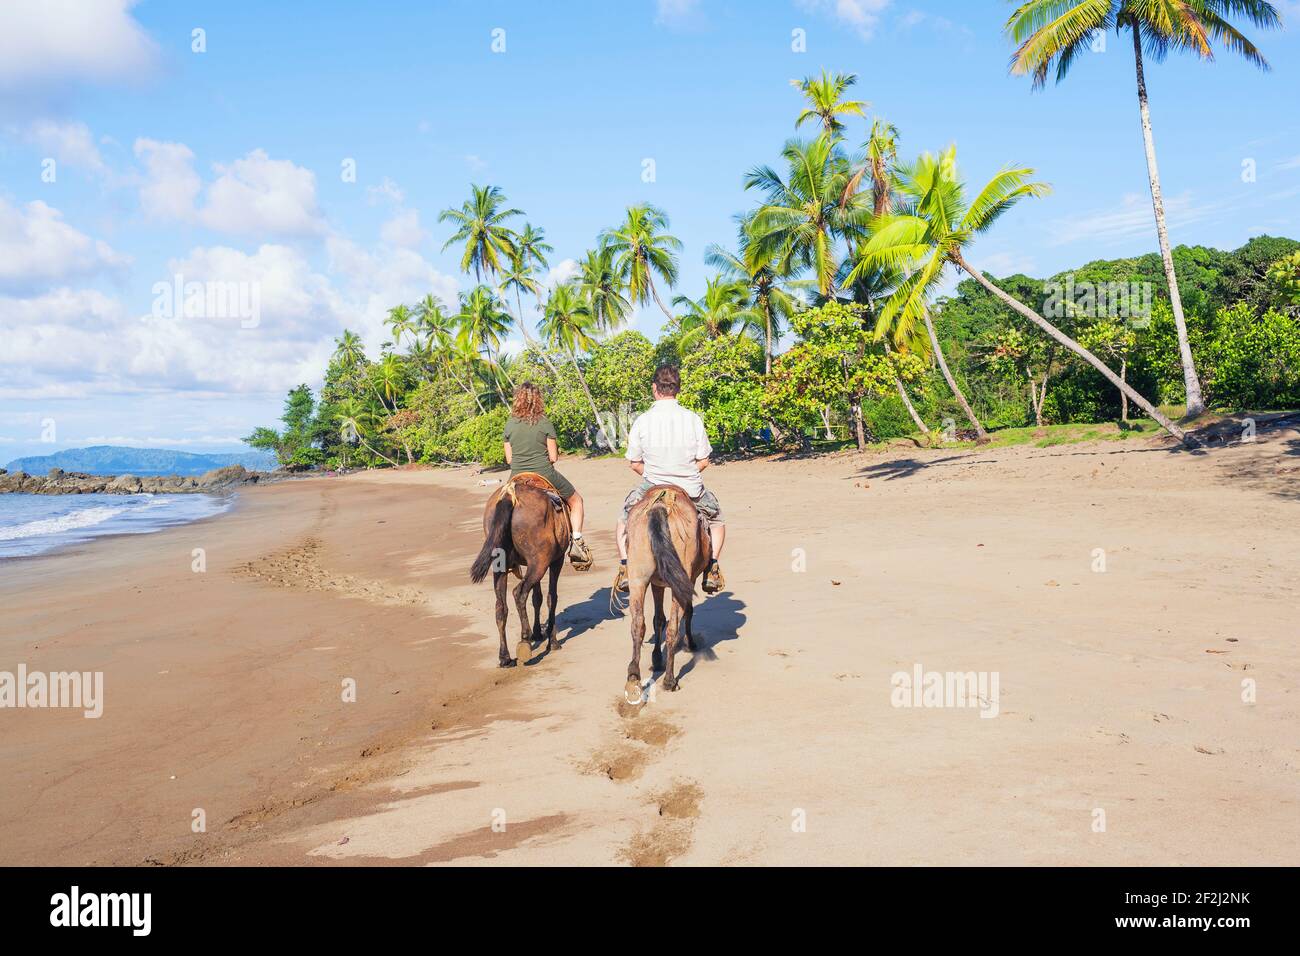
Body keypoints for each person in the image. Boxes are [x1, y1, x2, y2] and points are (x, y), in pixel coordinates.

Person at [613, 364, 725, 594]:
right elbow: (703, 460)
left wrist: (656, 473)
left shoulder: (642, 420)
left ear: (655, 389)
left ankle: (625, 566)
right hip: (690, 487)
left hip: (653, 484)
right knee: (716, 520)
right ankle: (712, 567)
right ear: (678, 390)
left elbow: (634, 463)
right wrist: (684, 472)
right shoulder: (693, 419)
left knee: (624, 519)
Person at [502, 382, 592, 568]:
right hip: (544, 473)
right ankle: (577, 542)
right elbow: (553, 457)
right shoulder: (544, 422)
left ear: (517, 400)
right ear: (538, 400)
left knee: (499, 507)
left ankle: (501, 560)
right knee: (576, 501)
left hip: (516, 476)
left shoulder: (510, 424)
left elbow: (509, 459)